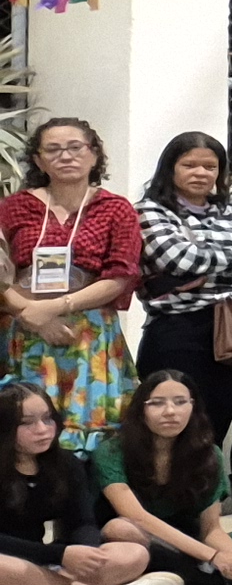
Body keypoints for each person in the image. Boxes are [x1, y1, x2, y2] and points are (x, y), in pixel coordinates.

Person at [133, 129, 232, 522]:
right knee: (195, 436)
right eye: (190, 165)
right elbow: (179, 261)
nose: (201, 173)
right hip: (183, 334)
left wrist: (209, 269)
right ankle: (183, 528)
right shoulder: (151, 211)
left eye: (210, 166)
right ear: (170, 168)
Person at [3, 116, 141, 464]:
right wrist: (29, 314)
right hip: (29, 331)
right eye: (53, 149)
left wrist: (53, 308)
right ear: (38, 160)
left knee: (92, 433)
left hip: (89, 337)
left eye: (75, 147)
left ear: (94, 155)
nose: (65, 156)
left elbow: (121, 275)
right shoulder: (13, 207)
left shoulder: (116, 209)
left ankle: (85, 500)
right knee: (26, 427)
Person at [0, 379, 171, 585]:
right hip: (14, 559)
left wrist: (85, 552)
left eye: (47, 418)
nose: (42, 429)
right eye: (26, 423)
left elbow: (82, 522)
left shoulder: (65, 464)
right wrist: (60, 555)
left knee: (134, 553)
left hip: (45, 562)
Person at [106, 369, 232, 585]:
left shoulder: (209, 454)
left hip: (193, 540)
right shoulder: (113, 450)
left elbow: (211, 529)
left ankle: (221, 573)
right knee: (121, 529)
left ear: (193, 407)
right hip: (144, 539)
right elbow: (137, 517)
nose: (170, 411)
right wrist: (214, 556)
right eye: (157, 403)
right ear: (140, 409)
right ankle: (212, 580)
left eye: (180, 402)